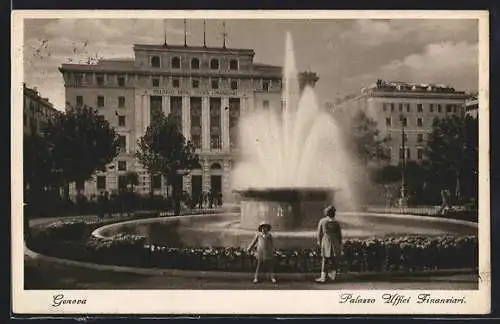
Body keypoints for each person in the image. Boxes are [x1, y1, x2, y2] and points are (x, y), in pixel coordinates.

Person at [315, 205, 343, 283]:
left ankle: (323, 277)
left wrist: (319, 242)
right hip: (335, 241)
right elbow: (339, 234)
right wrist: (339, 243)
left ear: (326, 213)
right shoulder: (336, 222)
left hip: (326, 241)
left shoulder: (322, 221)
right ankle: (333, 276)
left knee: (325, 259)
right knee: (334, 259)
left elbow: (319, 233)